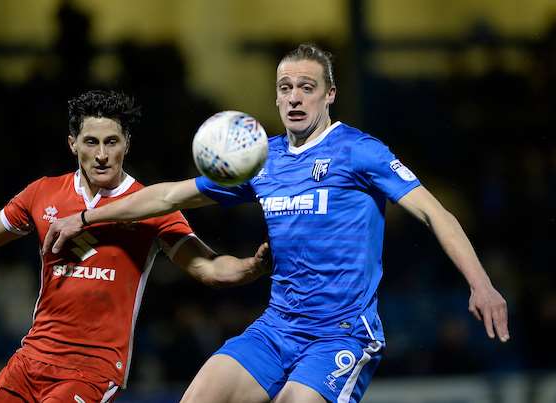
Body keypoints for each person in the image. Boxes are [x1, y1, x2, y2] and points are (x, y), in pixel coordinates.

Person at [44, 45, 510, 403]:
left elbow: (435, 212)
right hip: (276, 329)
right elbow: (168, 195)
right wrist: (87, 215)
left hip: (342, 333)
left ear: (329, 94)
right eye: (285, 87)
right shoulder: (259, 161)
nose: (294, 97)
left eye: (307, 87)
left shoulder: (359, 150)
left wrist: (481, 284)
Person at [0, 90, 270, 402]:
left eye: (112, 142)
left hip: (92, 369)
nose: (102, 154)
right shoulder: (43, 193)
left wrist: (252, 267)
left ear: (127, 144)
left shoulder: (150, 206)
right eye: (91, 142)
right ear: (73, 144)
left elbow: (209, 268)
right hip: (30, 358)